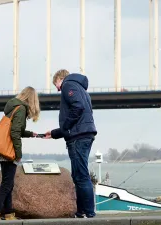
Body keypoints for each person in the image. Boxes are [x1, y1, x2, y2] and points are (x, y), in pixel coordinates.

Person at [43, 69, 97, 218]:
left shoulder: (68, 85)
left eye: (56, 85)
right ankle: (81, 212)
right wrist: (54, 133)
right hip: (84, 134)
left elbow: (77, 108)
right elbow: (79, 117)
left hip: (78, 137)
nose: (57, 89)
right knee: (79, 175)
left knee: (81, 176)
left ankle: (89, 213)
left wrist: (64, 127)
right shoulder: (83, 90)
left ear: (61, 79)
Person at [0, 86, 40, 221]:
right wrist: (18, 153)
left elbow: (15, 130)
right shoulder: (21, 109)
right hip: (9, 151)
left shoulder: (13, 107)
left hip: (2, 149)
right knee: (7, 184)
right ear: (32, 99)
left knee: (8, 183)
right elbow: (15, 133)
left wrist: (31, 134)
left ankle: (9, 213)